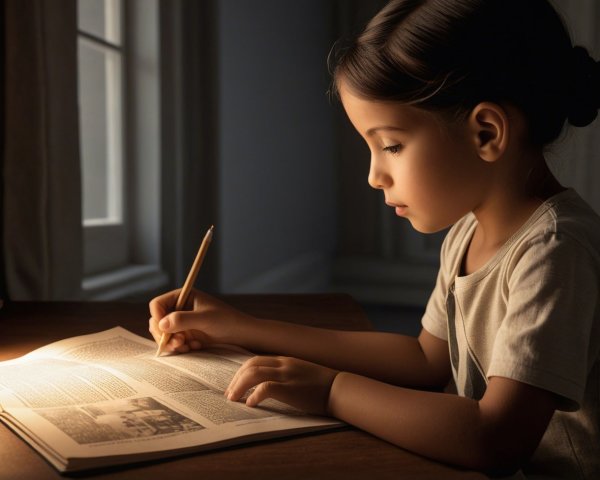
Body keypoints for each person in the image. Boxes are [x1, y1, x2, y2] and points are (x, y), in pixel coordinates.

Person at [149, 0, 600, 477]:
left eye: (391, 145)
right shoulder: (470, 231)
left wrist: (332, 390)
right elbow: (426, 359)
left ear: (486, 133)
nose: (374, 176)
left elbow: (496, 437)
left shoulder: (555, 250)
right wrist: (240, 327)